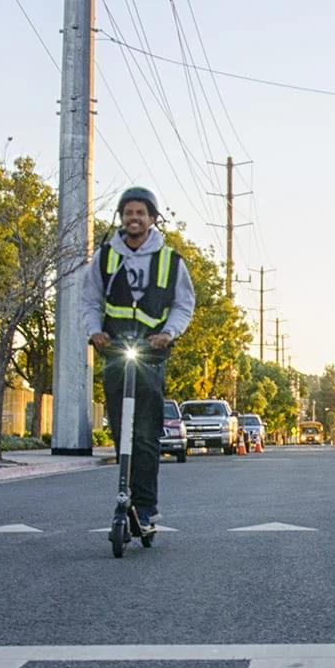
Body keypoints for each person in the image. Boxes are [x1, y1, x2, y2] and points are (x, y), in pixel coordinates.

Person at [79, 186, 197, 527]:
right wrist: (94, 331)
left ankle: (145, 506)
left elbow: (183, 303)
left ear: (152, 219)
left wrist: (168, 333)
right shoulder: (104, 257)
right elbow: (89, 300)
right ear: (121, 218)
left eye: (140, 213)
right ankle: (124, 496)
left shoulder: (170, 260)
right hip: (115, 351)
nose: (134, 218)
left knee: (145, 433)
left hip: (151, 354)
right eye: (128, 212)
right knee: (121, 430)